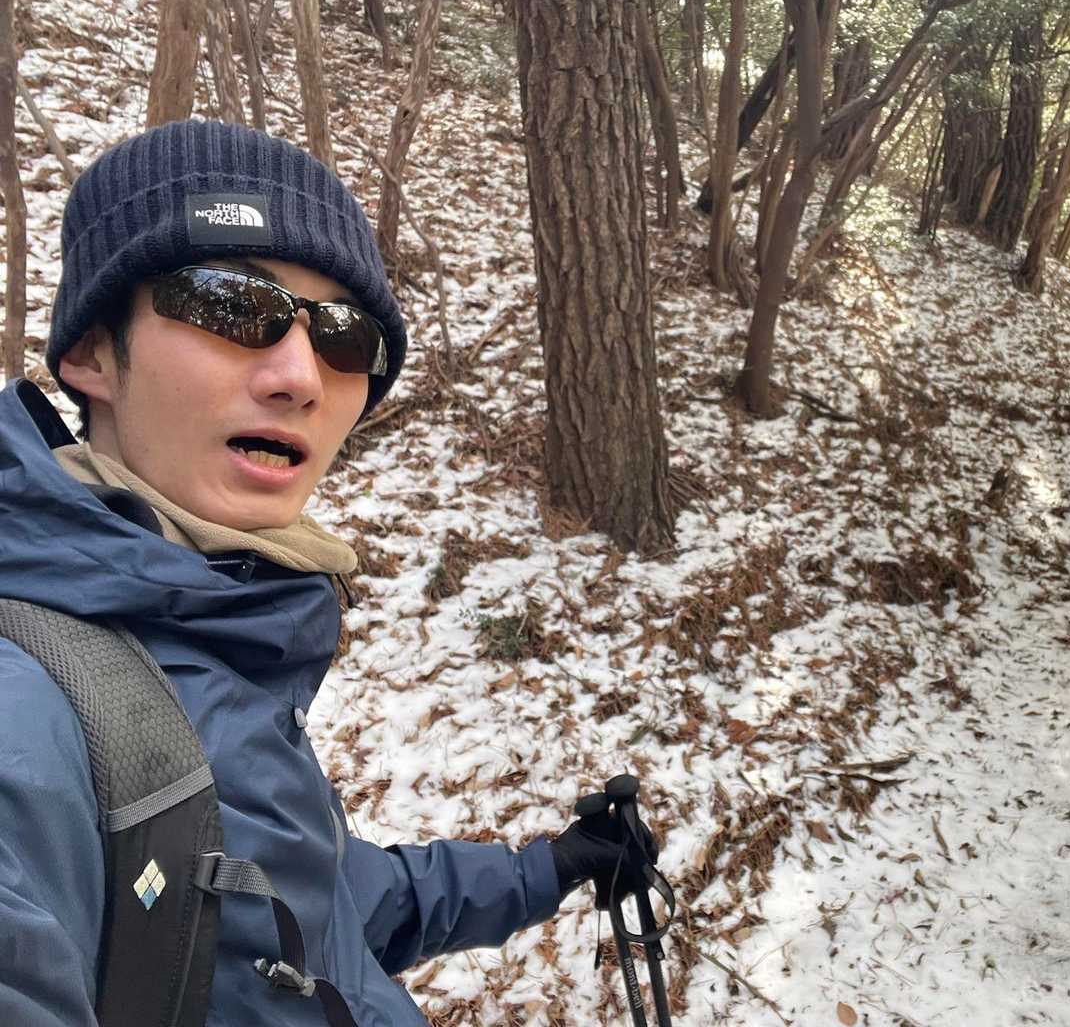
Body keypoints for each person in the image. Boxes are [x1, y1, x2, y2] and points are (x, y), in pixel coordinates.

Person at [0, 119, 649, 1026]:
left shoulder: (219, 625)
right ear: (91, 353)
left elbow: (319, 907)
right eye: (230, 304)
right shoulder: (30, 711)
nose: (301, 375)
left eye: (345, 336)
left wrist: (549, 869)